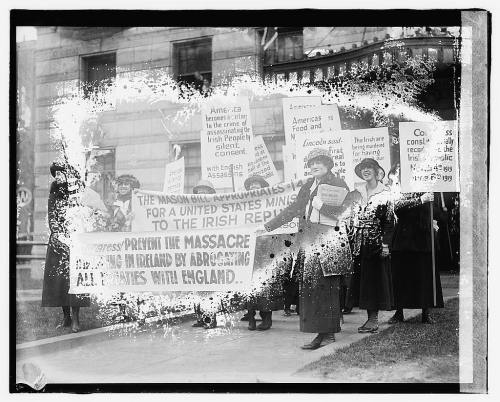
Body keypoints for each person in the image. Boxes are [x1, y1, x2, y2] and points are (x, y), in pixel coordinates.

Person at [263, 148, 353, 349]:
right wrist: (268, 226)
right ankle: (321, 332)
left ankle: (328, 334)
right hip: (309, 243)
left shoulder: (337, 184)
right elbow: (294, 209)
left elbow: (346, 212)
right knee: (312, 290)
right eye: (311, 163)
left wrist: (323, 207)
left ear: (328, 164)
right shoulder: (308, 186)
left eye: (318, 162)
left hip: (328, 245)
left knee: (326, 289)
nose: (314, 166)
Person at [387, 163, 445, 324]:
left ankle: (426, 312)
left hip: (424, 236)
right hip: (404, 237)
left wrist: (434, 216)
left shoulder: (430, 186)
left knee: (425, 275)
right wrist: (420, 199)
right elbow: (397, 207)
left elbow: (439, 212)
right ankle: (399, 312)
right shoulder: (400, 186)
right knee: (401, 275)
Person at [345, 158, 394, 333]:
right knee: (364, 282)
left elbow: (389, 222)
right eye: (363, 168)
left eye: (369, 168)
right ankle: (369, 319)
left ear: (375, 171)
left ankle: (373, 320)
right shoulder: (357, 193)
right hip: (360, 244)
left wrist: (386, 245)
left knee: (375, 282)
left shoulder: (385, 193)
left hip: (377, 244)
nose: (366, 171)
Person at [41, 161, 90, 333]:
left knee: (76, 280)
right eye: (56, 174)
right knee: (60, 281)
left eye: (62, 173)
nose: (59, 176)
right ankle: (66, 317)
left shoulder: (78, 192)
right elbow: (52, 216)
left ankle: (76, 318)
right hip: (59, 242)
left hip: (76, 241)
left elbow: (85, 214)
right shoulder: (54, 191)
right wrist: (58, 235)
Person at [241, 175, 284, 331]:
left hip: (266, 250)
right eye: (251, 185)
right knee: (249, 285)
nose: (253, 187)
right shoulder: (244, 205)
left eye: (256, 184)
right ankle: (251, 317)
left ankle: (266, 319)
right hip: (248, 249)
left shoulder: (270, 204)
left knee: (266, 286)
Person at [190, 179, 220, 329]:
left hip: (210, 253)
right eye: (199, 190)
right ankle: (200, 317)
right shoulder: (190, 209)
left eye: (205, 190)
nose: (201, 193)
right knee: (196, 288)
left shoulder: (216, 208)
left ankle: (210, 319)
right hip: (194, 252)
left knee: (208, 288)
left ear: (210, 193)